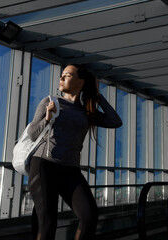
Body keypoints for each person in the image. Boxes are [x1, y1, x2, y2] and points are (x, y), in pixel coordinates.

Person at [27, 64, 122, 240]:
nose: (61, 78)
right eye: (61, 75)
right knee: (48, 223)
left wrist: (97, 96)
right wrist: (47, 118)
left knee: (89, 216)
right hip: (44, 165)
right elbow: (32, 134)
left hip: (70, 170)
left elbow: (115, 121)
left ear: (80, 82)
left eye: (67, 75)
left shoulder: (86, 111)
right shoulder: (50, 101)